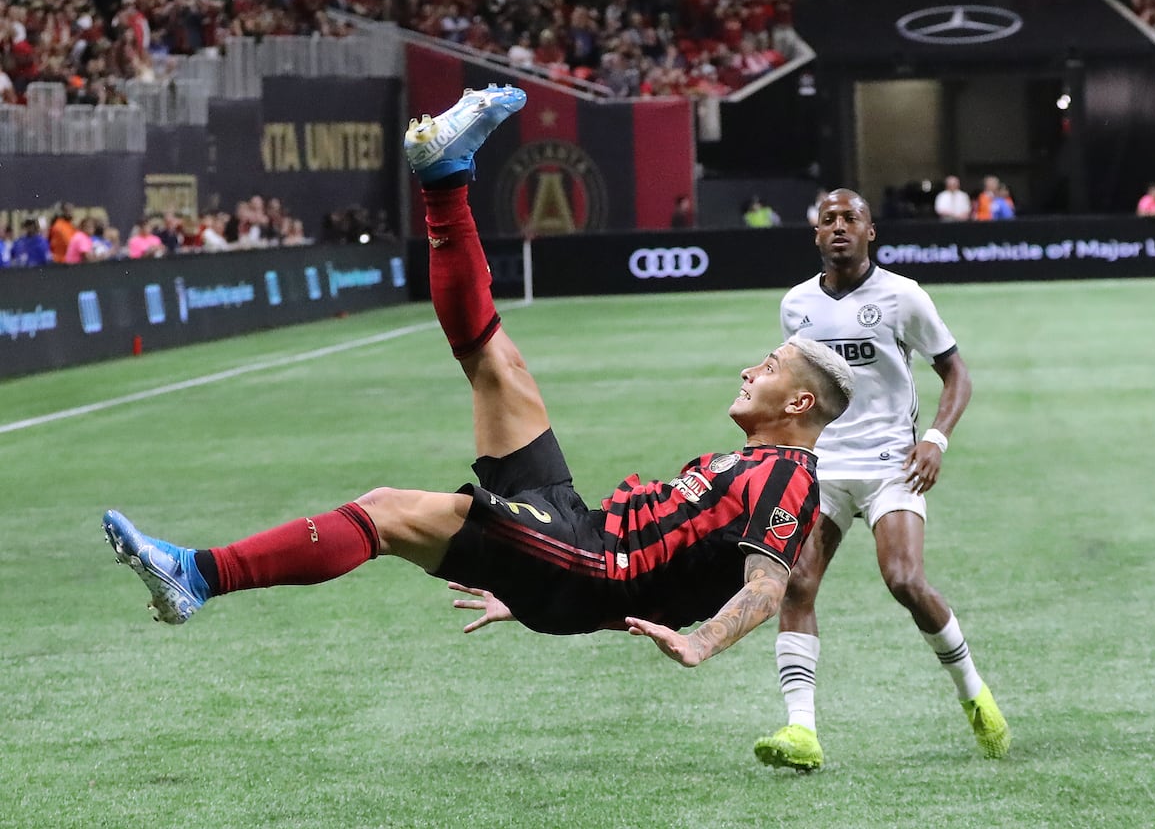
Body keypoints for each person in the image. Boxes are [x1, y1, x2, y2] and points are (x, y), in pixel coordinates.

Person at [103, 86, 856, 671]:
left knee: (387, 511)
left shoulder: (791, 478)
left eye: (767, 366)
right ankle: (444, 179)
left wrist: (701, 645)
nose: (747, 369)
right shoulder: (755, 461)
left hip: (586, 561)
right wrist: (530, 590)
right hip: (578, 535)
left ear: (797, 401)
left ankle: (196, 577)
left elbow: (765, 586)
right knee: (495, 361)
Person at [752, 188, 1010, 772]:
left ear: (871, 233)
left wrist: (935, 439)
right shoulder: (796, 306)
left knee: (903, 578)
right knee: (796, 584)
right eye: (828, 220)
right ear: (815, 235)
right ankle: (801, 731)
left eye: (851, 219)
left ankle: (973, 692)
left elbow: (956, 372)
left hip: (893, 463)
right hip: (822, 466)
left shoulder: (902, 297)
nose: (839, 227)